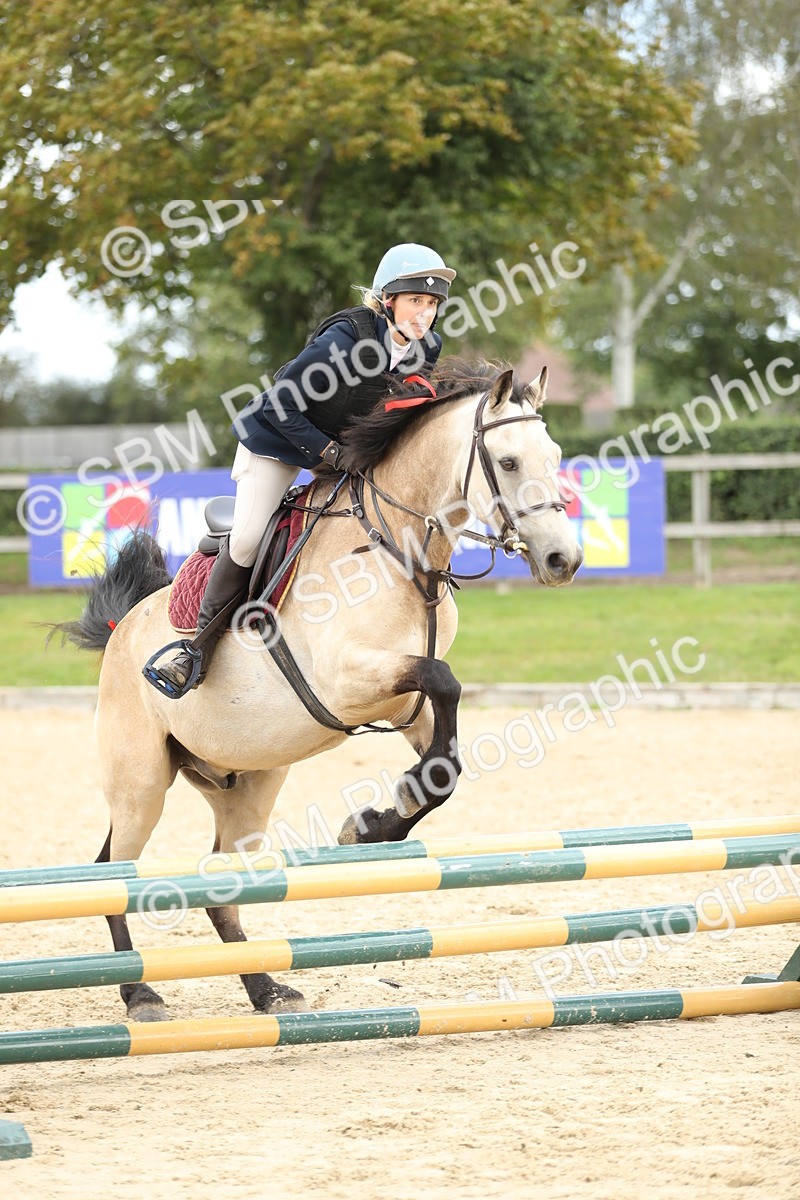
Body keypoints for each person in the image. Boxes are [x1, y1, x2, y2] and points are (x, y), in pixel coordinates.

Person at [150, 242, 456, 695]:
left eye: (431, 305)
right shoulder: (347, 338)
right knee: (251, 535)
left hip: (340, 451)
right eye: (416, 301)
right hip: (275, 442)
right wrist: (328, 455)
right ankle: (196, 650)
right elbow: (281, 404)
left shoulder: (425, 347)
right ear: (387, 301)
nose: (424, 315)